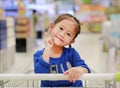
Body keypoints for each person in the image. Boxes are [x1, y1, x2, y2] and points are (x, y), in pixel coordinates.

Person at [33, 13, 91, 87]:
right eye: (61, 28)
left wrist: (79, 70)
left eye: (68, 34)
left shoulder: (72, 53)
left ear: (71, 41)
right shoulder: (39, 55)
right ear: (51, 27)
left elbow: (85, 68)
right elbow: (40, 74)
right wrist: (47, 48)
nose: (62, 34)